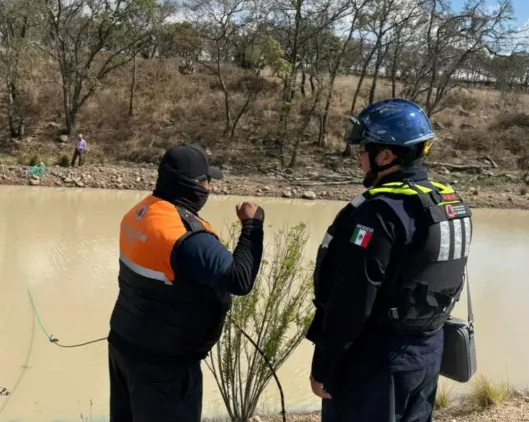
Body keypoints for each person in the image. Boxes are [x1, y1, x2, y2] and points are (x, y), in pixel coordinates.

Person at [305, 98, 473, 422]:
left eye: (363, 151)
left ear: (386, 156)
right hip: (427, 354)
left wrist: (323, 365)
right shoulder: (449, 203)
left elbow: (352, 300)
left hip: (375, 365)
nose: (359, 161)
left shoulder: (380, 212)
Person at [108, 143, 265, 422]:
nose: (209, 188)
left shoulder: (139, 214)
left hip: (125, 347)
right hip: (165, 368)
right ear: (191, 184)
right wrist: (252, 227)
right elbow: (239, 280)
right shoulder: (184, 235)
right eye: (206, 181)